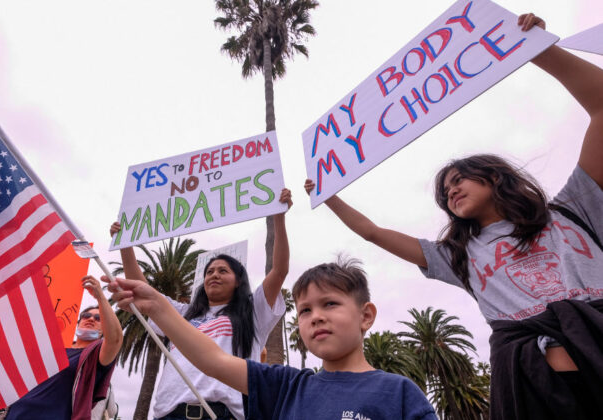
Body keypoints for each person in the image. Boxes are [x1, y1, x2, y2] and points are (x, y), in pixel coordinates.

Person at [304, 13, 603, 420]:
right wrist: (329, 195)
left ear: (494, 177)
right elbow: (372, 232)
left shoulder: (573, 208)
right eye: (446, 192)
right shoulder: (457, 254)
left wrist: (538, 49)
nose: (452, 191)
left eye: (460, 180)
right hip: (532, 391)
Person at [108, 259, 437, 419]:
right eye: (305, 310)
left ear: (366, 316)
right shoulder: (285, 386)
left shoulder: (399, 393)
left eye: (331, 304)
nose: (316, 316)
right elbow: (213, 360)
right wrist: (158, 306)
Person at [110, 188, 292, 420]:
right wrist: (125, 244)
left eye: (223, 271)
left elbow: (279, 270)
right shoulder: (182, 314)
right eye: (209, 271)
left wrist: (279, 216)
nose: (214, 275)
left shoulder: (253, 312)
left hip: (223, 414)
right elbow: (141, 290)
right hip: (168, 414)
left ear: (238, 281)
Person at [5, 275, 122, 420]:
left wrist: (100, 297)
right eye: (86, 315)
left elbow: (115, 339)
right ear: (78, 322)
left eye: (98, 318)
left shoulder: (94, 357)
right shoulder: (53, 349)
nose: (91, 319)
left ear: (104, 329)